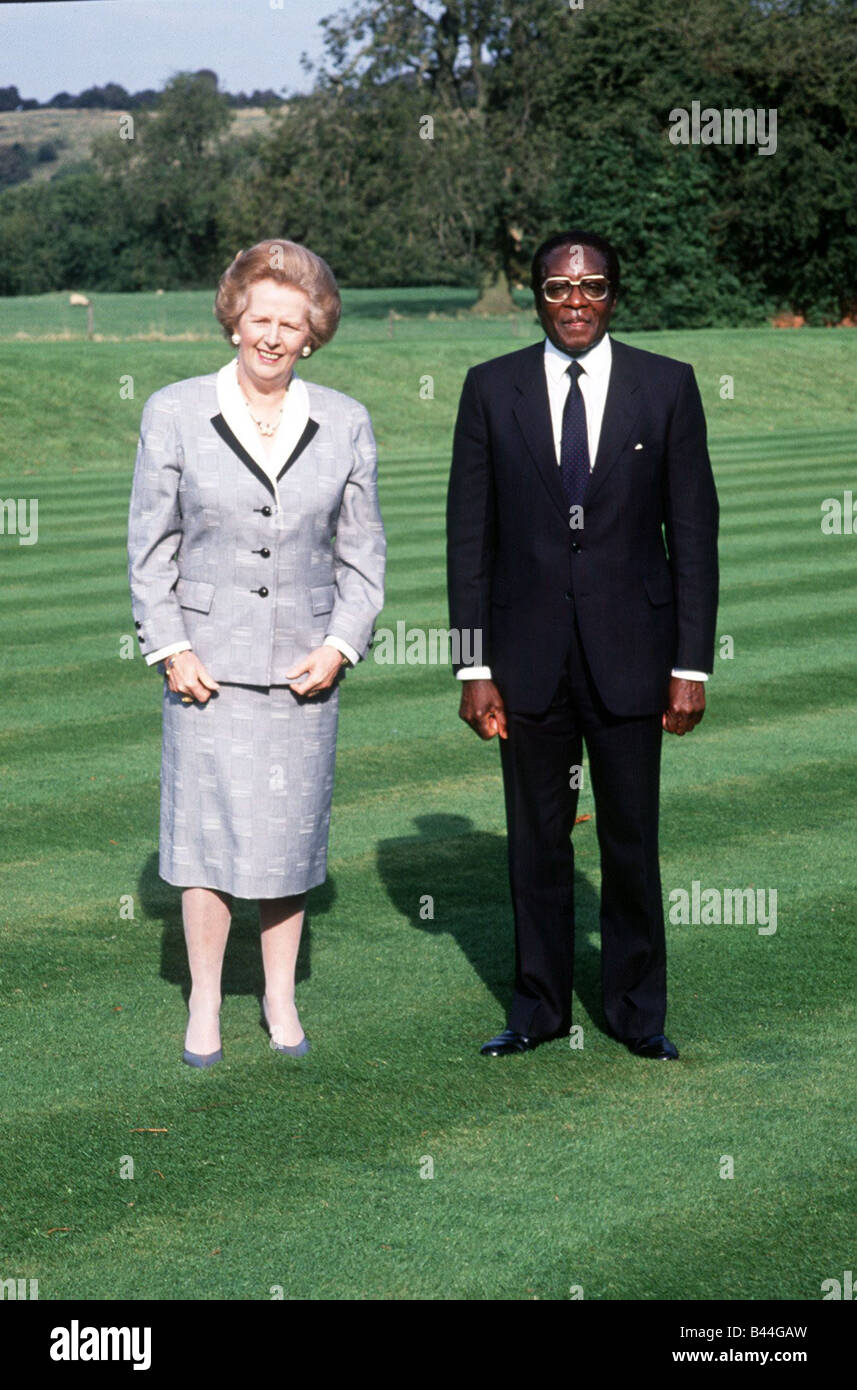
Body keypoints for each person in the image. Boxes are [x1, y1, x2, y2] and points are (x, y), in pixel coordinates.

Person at [446, 230, 718, 1059]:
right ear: (536, 296)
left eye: (591, 286)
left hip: (633, 657)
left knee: (629, 841)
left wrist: (689, 664)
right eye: (558, 288)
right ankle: (537, 1011)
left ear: (613, 294)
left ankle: (636, 1013)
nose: (575, 302)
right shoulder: (489, 388)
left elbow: (692, 535)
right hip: (525, 663)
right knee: (536, 842)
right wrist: (472, 664)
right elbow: (468, 541)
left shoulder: (665, 386)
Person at [128, 239, 386, 1067]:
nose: (273, 336)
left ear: (313, 334)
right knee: (204, 843)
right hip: (204, 669)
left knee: (287, 841)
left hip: (303, 672)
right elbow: (150, 550)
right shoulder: (174, 411)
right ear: (234, 320)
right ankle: (204, 999)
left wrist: (340, 644)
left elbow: (363, 557)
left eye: (291, 323)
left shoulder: (344, 421)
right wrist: (171, 647)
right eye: (260, 318)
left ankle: (280, 997)